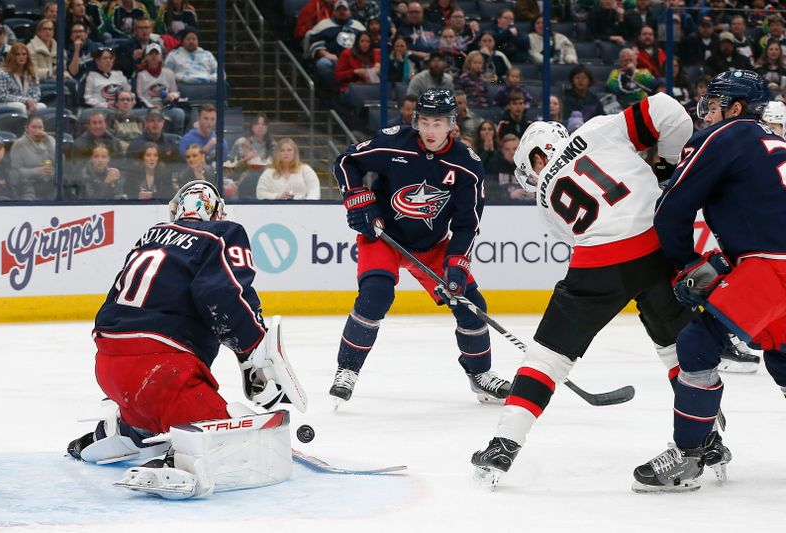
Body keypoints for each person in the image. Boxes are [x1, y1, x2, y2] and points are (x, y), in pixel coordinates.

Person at [471, 93, 703, 488]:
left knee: (547, 357)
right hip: (653, 246)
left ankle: (504, 444)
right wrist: (666, 166)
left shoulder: (544, 196)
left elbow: (579, 236)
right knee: (677, 349)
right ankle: (706, 437)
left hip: (597, 264)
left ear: (538, 158)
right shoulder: (596, 130)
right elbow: (668, 109)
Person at [66, 180, 304, 499]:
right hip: (164, 372)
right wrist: (252, 353)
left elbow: (113, 304)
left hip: (109, 367)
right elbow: (221, 295)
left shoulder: (149, 238)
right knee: (235, 437)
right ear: (216, 212)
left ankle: (126, 427)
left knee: (154, 404)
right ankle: (178, 458)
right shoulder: (222, 233)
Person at [632, 70, 786, 493]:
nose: (706, 114)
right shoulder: (774, 140)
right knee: (783, 357)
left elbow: (671, 208)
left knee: (697, 343)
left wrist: (683, 264)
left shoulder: (726, 135)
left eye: (714, 104)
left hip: (771, 266)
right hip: (773, 261)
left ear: (735, 109)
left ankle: (688, 455)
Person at [329, 88, 510, 408]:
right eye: (424, 121)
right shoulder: (394, 141)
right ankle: (347, 369)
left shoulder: (467, 166)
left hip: (433, 246)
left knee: (470, 303)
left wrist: (456, 264)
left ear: (452, 124)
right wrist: (357, 199)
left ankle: (480, 375)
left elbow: (468, 224)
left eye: (437, 123)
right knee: (376, 295)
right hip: (384, 237)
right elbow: (346, 161)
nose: (429, 130)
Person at [135, 42, 185, 134]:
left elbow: (175, 91)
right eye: (151, 54)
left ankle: (177, 140)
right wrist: (151, 106)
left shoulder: (169, 73)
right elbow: (140, 96)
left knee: (179, 113)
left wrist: (172, 96)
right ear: (146, 57)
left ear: (161, 56)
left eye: (156, 54)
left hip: (166, 107)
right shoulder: (141, 75)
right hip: (148, 107)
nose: (153, 56)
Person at [256, 138, 320, 200]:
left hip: (302, 208)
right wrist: (277, 197)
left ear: (295, 153)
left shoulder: (305, 169)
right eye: (282, 150)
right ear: (277, 153)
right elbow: (260, 193)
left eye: (289, 150)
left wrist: (307, 205)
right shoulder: (269, 172)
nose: (286, 153)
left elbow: (314, 190)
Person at [9, 114, 56, 200]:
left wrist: (48, 141)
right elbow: (15, 172)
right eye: (34, 127)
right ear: (26, 128)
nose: (37, 131)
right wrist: (38, 171)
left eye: (40, 127)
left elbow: (61, 163)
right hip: (31, 185)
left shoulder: (50, 141)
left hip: (51, 183)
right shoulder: (19, 144)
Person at [0, 44, 46, 116]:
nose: (21, 57)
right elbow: (2, 96)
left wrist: (32, 102)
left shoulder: (32, 73)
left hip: (27, 104)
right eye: (18, 54)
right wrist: (25, 101)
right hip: (4, 104)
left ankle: (35, 126)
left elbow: (36, 93)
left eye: (24, 54)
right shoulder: (2, 73)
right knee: (20, 106)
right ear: (12, 56)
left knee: (42, 106)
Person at [230, 113, 275, 198]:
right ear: (252, 126)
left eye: (263, 124)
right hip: (244, 184)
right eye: (257, 124)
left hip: (267, 184)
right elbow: (230, 169)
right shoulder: (241, 143)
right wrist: (245, 160)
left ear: (267, 127)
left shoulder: (273, 145)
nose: (260, 126)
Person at [0, 133, 33, 200]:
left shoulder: (13, 170)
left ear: (4, 151)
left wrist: (26, 201)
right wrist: (7, 203)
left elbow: (27, 188)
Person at [334, 31, 380, 97]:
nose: (365, 44)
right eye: (362, 41)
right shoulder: (347, 54)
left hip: (372, 86)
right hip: (352, 87)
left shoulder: (376, 53)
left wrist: (379, 68)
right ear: (357, 42)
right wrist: (354, 72)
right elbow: (338, 77)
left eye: (368, 41)